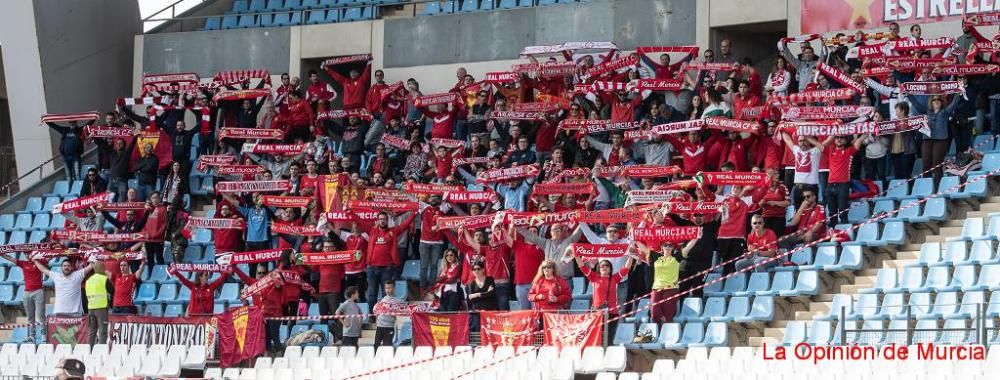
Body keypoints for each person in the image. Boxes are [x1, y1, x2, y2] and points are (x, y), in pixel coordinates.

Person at [570, 246, 634, 340]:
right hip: (597, 312)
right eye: (602, 265)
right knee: (596, 339)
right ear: (599, 268)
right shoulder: (594, 277)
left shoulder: (614, 278)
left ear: (610, 268)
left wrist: (631, 255)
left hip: (612, 312)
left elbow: (627, 267)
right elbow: (582, 266)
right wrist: (576, 254)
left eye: (607, 265)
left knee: (609, 339)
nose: (604, 267)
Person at [360, 211, 417, 307]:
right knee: (372, 293)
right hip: (372, 268)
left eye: (384, 219)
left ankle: (385, 313)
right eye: (380, 219)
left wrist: (414, 213)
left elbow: (405, 224)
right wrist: (350, 212)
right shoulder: (371, 230)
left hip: (386, 268)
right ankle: (372, 317)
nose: (382, 221)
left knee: (386, 294)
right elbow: (359, 221)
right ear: (377, 221)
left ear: (387, 220)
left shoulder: (393, 231)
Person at [0, 253, 46, 342]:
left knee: (41, 315)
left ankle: (44, 335)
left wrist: (54, 250)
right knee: (30, 316)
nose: (27, 256)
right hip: (27, 292)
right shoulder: (23, 263)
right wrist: (1, 253)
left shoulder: (40, 262)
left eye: (29, 254)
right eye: (26, 254)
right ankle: (32, 336)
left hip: (38, 291)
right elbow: (10, 258)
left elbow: (49, 258)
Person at [635, 240, 683, 325]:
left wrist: (696, 237)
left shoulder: (676, 257)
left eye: (670, 245)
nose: (667, 247)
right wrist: (635, 239)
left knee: (668, 315)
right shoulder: (657, 257)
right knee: (655, 313)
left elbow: (687, 249)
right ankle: (655, 333)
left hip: (671, 289)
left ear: (673, 248)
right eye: (665, 245)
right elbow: (645, 249)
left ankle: (668, 335)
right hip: (657, 288)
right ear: (662, 247)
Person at [84, 262, 112, 344]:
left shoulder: (88, 280)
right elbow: (112, 291)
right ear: (102, 268)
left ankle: (89, 350)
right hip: (101, 308)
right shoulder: (104, 279)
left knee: (91, 332)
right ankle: (101, 351)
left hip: (91, 309)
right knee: (102, 331)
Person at [466, 261, 495, 332]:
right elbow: (470, 299)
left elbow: (492, 293)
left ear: (483, 269)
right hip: (476, 309)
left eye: (478, 269)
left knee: (490, 330)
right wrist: (485, 293)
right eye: (474, 269)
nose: (476, 271)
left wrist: (477, 294)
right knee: (477, 328)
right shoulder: (471, 284)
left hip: (489, 308)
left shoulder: (489, 280)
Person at [373, 280, 402, 349]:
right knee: (376, 345)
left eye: (389, 288)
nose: (387, 290)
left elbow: (405, 310)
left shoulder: (399, 301)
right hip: (380, 326)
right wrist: (377, 319)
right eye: (386, 288)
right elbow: (376, 311)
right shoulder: (382, 300)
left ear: (394, 288)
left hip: (389, 327)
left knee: (387, 346)